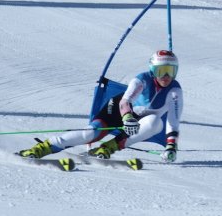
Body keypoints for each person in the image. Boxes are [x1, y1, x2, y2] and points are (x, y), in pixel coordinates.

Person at [18, 50, 183, 163]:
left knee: (156, 122)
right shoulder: (142, 79)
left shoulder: (174, 90)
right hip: (119, 110)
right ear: (153, 70)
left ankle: (108, 148)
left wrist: (171, 147)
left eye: (171, 70)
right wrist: (127, 117)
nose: (166, 76)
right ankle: (43, 148)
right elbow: (126, 101)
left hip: (139, 120)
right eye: (162, 70)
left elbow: (173, 121)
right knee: (91, 134)